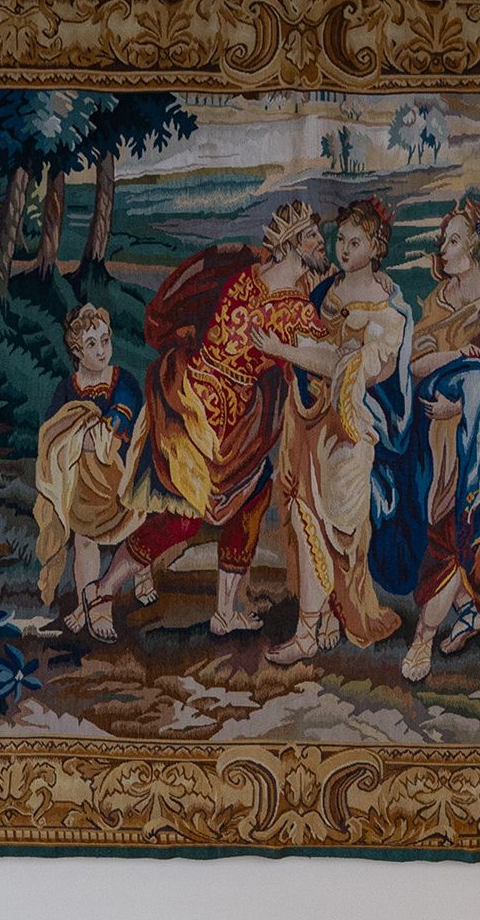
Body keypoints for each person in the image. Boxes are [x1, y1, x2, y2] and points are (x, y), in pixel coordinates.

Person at [85, 197, 336, 640]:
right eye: (314, 236)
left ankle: (223, 610)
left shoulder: (252, 272)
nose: (322, 242)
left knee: (250, 494)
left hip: (208, 402)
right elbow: (325, 356)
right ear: (295, 243)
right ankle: (102, 591)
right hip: (205, 416)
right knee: (185, 516)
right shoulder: (296, 306)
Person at [364, 197, 480, 684]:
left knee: (454, 526)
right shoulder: (437, 302)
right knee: (430, 525)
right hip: (428, 431)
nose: (443, 247)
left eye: (453, 240)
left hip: (474, 435)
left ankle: (422, 639)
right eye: (443, 239)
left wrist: (462, 407)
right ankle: (468, 609)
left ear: (477, 247)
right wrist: (450, 362)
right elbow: (414, 366)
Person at [269, 197, 410, 666]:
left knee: (341, 528)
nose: (344, 249)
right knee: (307, 514)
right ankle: (310, 629)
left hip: (351, 431)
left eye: (355, 242)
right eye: (340, 240)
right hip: (311, 418)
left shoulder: (388, 310)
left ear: (376, 247)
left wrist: (289, 353)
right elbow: (305, 332)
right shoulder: (325, 291)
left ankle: (334, 612)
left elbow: (357, 369)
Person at [31, 304, 145, 639]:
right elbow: (53, 430)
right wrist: (76, 437)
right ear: (77, 350)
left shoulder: (121, 379)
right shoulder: (68, 388)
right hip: (84, 479)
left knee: (135, 524)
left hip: (121, 471)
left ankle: (138, 576)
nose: (101, 350)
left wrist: (106, 430)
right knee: (84, 541)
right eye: (92, 344)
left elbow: (126, 410)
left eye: (105, 341)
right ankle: (89, 603)